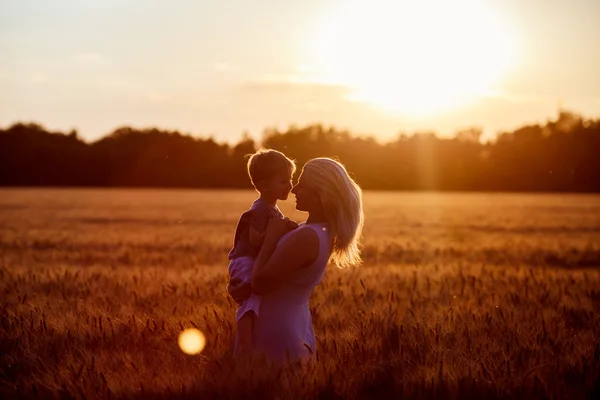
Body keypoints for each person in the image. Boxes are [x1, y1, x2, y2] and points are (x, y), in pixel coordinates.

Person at [228, 157, 364, 364]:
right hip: (286, 327)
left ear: (321, 194)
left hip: (276, 335)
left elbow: (259, 283)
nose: (294, 189)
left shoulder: (307, 237)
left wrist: (272, 237)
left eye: (302, 184)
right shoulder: (317, 232)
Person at [227, 148, 297, 354]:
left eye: (290, 179)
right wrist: (279, 231)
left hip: (254, 259)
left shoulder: (272, 208)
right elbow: (255, 239)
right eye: (284, 181)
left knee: (258, 301)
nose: (290, 185)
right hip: (245, 261)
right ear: (264, 186)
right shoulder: (259, 209)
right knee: (249, 301)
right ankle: (244, 346)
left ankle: (254, 342)